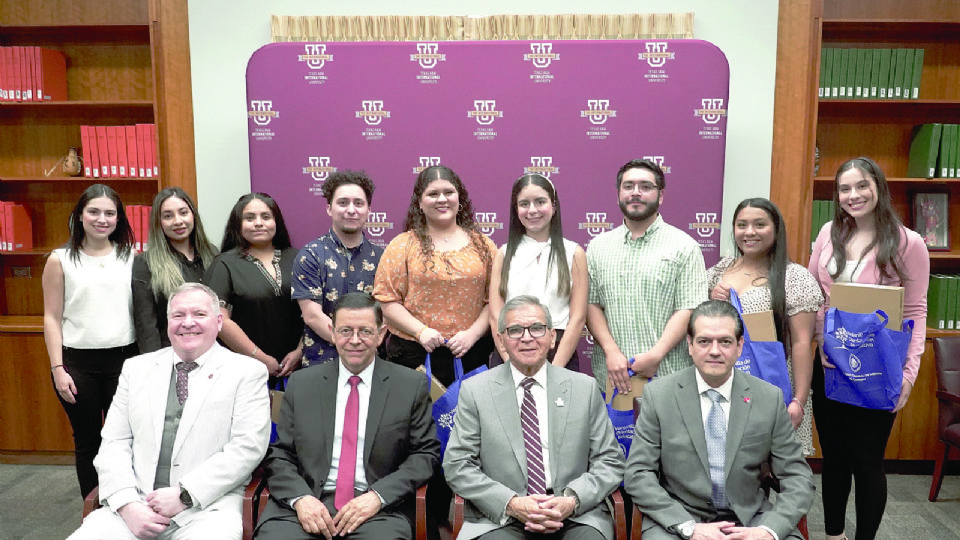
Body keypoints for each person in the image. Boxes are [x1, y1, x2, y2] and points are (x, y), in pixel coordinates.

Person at [66, 283, 271, 540]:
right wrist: (127, 505)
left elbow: (248, 447)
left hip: (207, 508)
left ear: (219, 322)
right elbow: (114, 443)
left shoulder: (247, 372)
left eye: (199, 314)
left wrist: (185, 494)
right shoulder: (136, 369)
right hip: (135, 505)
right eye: (178, 315)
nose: (188, 323)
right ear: (167, 323)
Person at [808, 157, 929, 540]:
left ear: (878, 186)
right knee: (835, 459)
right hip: (829, 364)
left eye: (862, 185)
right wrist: (819, 339)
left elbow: (915, 310)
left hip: (878, 368)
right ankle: (833, 535)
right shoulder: (829, 232)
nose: (853, 195)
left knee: (867, 461)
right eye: (844, 188)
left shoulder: (908, 242)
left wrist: (909, 375)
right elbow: (814, 294)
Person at [255, 292, 440, 540]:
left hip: (377, 510)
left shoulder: (409, 385)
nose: (355, 340)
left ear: (381, 334)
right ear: (332, 333)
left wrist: (377, 497)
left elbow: (424, 455)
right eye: (345, 331)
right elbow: (280, 454)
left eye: (365, 331)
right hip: (307, 504)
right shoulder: (302, 384)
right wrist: (301, 499)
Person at [624, 300, 814, 540]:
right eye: (704, 341)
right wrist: (687, 526)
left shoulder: (768, 398)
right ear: (690, 345)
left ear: (739, 346)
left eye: (725, 341)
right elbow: (638, 473)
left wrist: (769, 530)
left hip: (751, 518)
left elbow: (797, 475)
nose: (715, 350)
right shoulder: (659, 396)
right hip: (681, 517)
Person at [444, 295, 625, 540]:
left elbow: (610, 460)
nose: (527, 337)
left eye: (537, 328)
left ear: (552, 338)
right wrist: (512, 503)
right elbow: (458, 465)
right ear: (501, 340)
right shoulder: (475, 390)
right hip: (501, 516)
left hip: (575, 514)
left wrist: (571, 500)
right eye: (515, 330)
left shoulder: (584, 388)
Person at [42, 183, 139, 499]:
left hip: (124, 361)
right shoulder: (60, 259)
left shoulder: (132, 256)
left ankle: (124, 503)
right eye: (94, 212)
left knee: (125, 439)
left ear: (119, 218)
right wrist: (58, 368)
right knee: (88, 441)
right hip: (77, 364)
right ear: (80, 216)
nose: (102, 219)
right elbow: (52, 317)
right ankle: (92, 510)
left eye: (110, 213)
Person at [707, 198, 823, 455]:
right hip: (726, 385)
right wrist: (712, 299)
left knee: (773, 468)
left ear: (776, 229)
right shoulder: (719, 271)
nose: (749, 232)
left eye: (759, 225)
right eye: (742, 225)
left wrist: (799, 402)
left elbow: (803, 343)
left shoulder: (794, 277)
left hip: (774, 388)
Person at [586, 158, 706, 392]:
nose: (636, 193)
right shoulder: (598, 246)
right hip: (612, 379)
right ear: (619, 193)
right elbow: (591, 305)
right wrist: (612, 351)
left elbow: (689, 307)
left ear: (660, 196)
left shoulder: (684, 246)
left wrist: (656, 355)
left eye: (645, 187)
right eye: (628, 186)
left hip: (668, 377)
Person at [373, 165, 497, 386]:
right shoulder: (402, 245)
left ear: (460, 198)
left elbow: (496, 299)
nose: (442, 199)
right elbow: (386, 299)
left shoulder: (484, 246)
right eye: (432, 194)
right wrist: (421, 332)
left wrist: (473, 334)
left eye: (449, 192)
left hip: (471, 354)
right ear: (419, 203)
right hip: (414, 355)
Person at [488, 173, 587, 371]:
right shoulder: (504, 254)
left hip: (559, 354)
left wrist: (554, 369)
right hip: (511, 352)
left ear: (554, 206)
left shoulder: (574, 253)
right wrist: (511, 363)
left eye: (540, 202)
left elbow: (578, 318)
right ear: (516, 210)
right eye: (524, 204)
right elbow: (495, 316)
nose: (532, 210)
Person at [204, 193, 303, 378]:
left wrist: (301, 351)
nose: (258, 223)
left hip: (300, 370)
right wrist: (261, 359)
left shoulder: (299, 258)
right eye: (249, 218)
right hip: (243, 370)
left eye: (266, 217)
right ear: (237, 224)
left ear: (277, 222)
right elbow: (221, 320)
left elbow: (316, 312)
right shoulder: (224, 264)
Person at [292, 170, 383, 368]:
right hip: (322, 364)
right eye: (343, 203)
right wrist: (353, 343)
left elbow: (388, 312)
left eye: (358, 203)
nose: (351, 210)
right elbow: (312, 315)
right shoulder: (311, 255)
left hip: (372, 364)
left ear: (369, 210)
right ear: (329, 208)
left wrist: (364, 345)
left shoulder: (383, 257)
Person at [132, 187, 218, 353]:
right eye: (168, 216)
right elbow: (146, 326)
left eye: (183, 213)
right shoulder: (145, 263)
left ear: (193, 215)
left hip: (213, 355)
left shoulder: (213, 254)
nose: (178, 221)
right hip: (172, 356)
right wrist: (155, 366)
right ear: (159, 223)